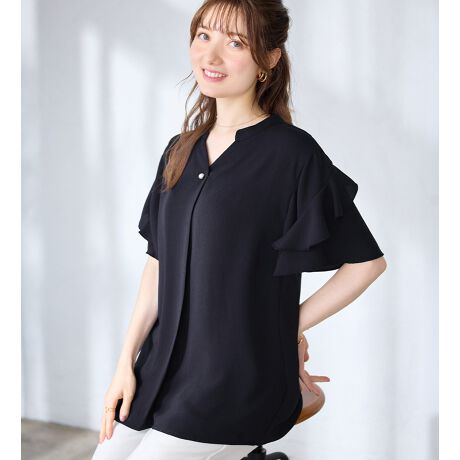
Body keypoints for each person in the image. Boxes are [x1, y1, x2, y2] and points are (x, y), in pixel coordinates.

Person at [91, 0, 387, 458]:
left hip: (235, 380)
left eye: (235, 43)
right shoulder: (179, 151)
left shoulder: (292, 155)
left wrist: (286, 327)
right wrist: (124, 365)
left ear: (268, 58)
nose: (211, 56)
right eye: (203, 35)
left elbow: (367, 264)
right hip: (159, 369)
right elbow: (157, 264)